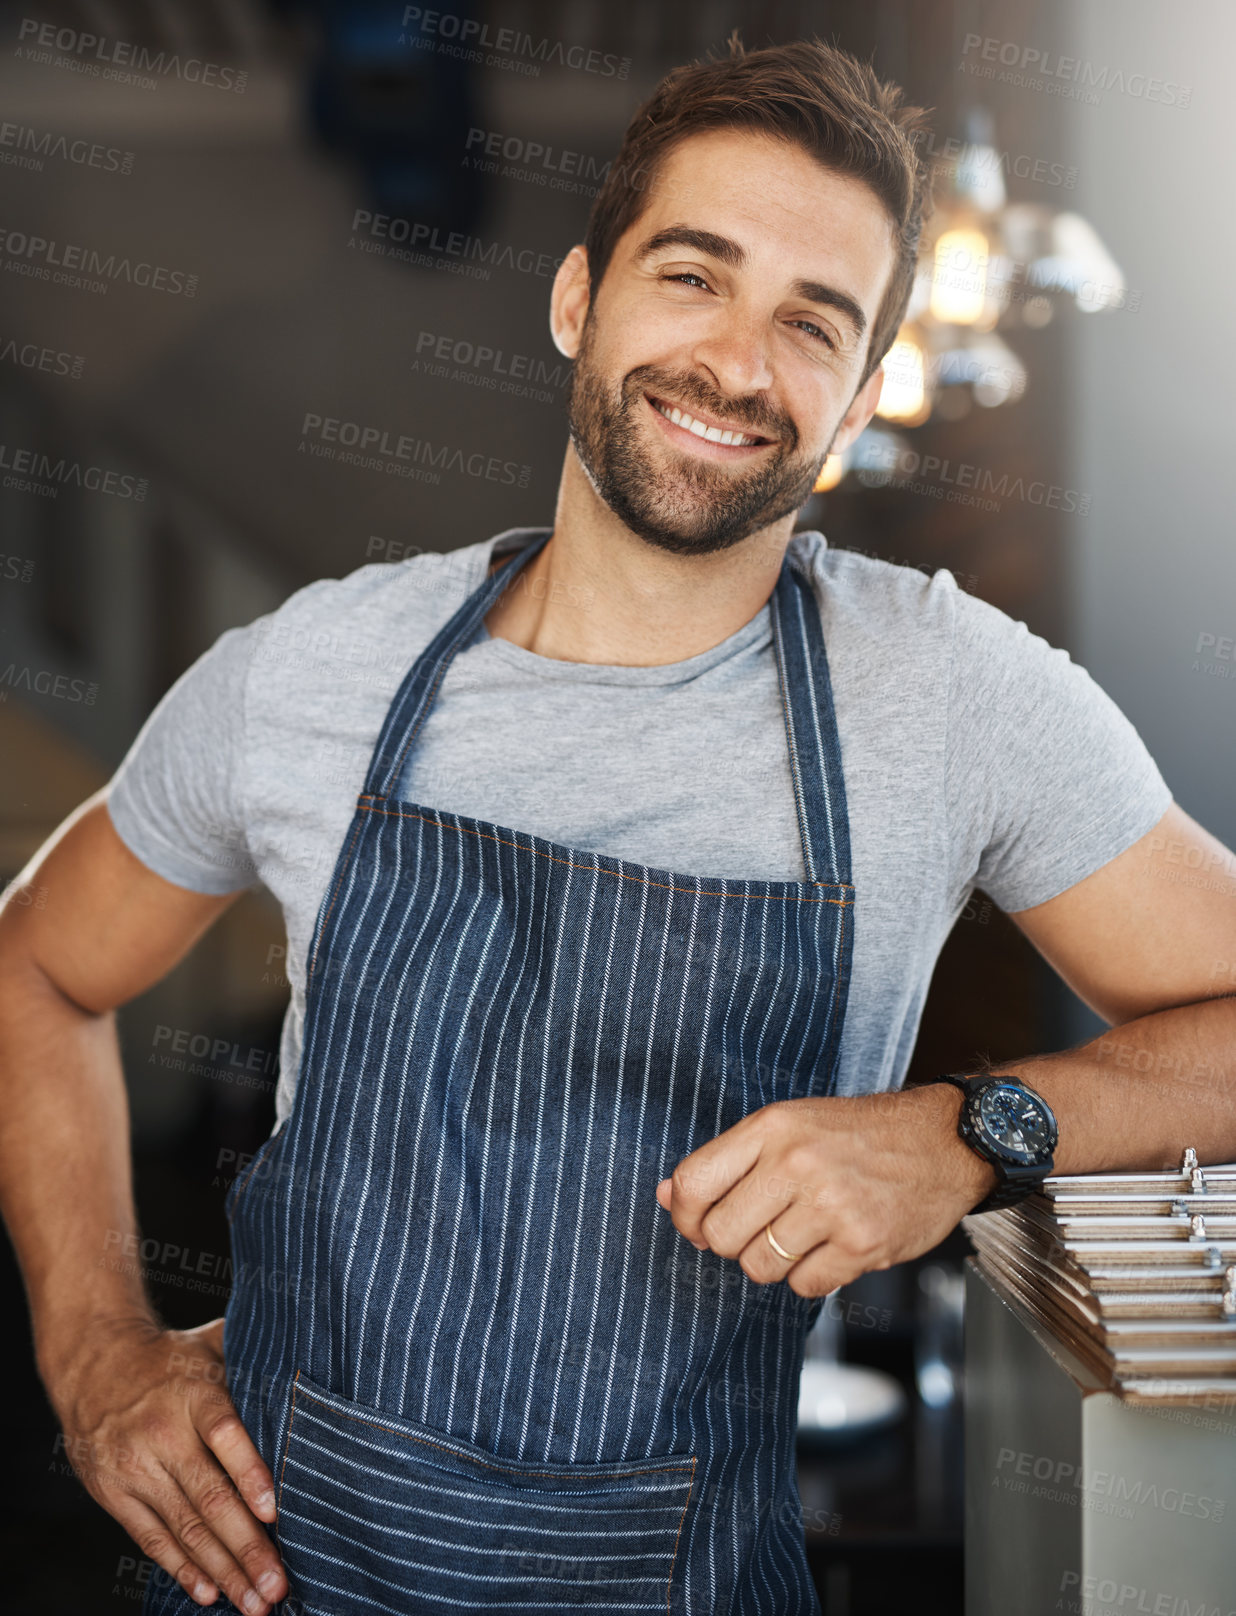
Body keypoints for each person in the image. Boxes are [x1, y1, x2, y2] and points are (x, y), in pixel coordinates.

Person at [2, 31, 1234, 1616]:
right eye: (694, 275)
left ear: (858, 402)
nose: (737, 363)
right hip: (269, 1580)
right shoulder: (322, 668)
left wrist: (965, 1134)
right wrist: (95, 1348)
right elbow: (40, 966)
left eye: (813, 322)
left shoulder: (949, 697)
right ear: (579, 299)